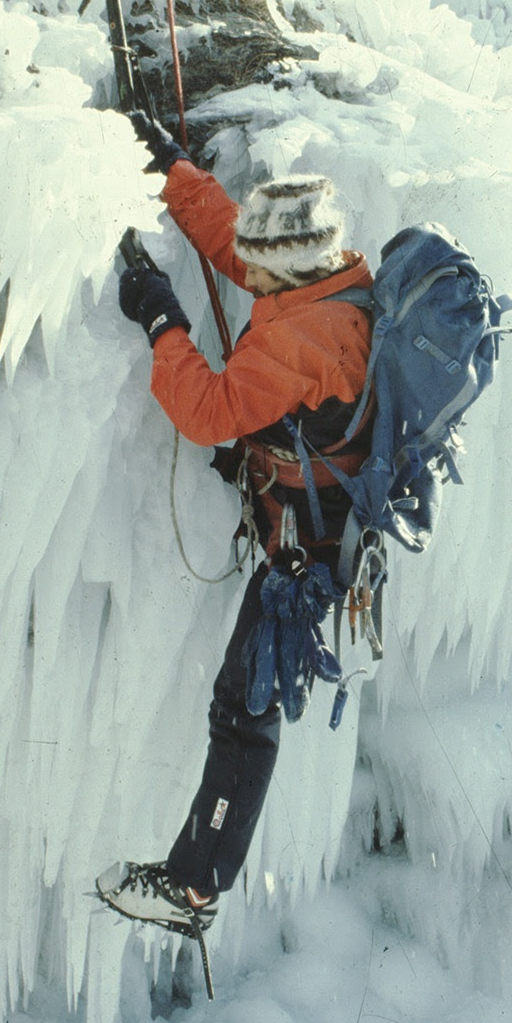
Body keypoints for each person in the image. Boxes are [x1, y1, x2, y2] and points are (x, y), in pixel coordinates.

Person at [96, 115, 374, 937]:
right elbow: (237, 247)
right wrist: (178, 172)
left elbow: (209, 410)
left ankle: (192, 889)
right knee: (243, 706)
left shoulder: (294, 339)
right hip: (325, 523)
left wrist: (160, 321)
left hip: (307, 556)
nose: (248, 267)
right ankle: (195, 881)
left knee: (243, 708)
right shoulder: (335, 280)